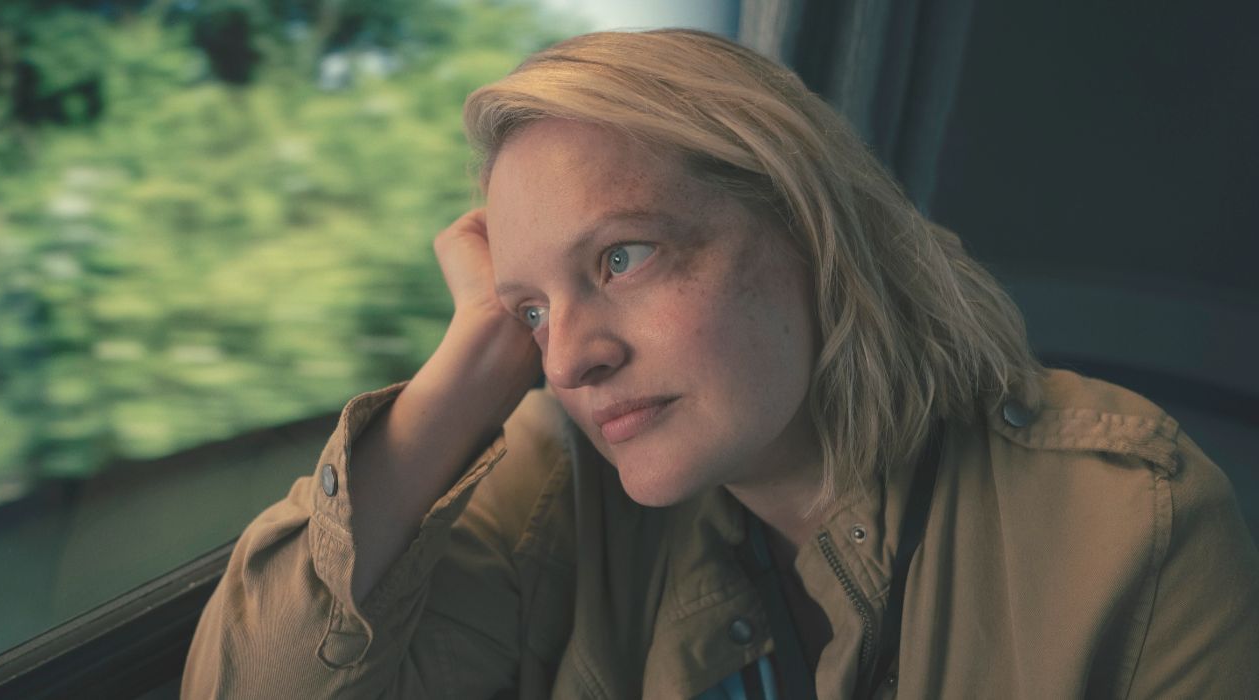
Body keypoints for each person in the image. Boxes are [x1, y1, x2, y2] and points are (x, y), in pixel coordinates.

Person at [181, 29, 1259, 698]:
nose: (573, 359)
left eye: (623, 257)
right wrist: (467, 362)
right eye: (533, 310)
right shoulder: (561, 485)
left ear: (804, 223)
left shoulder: (1129, 519)